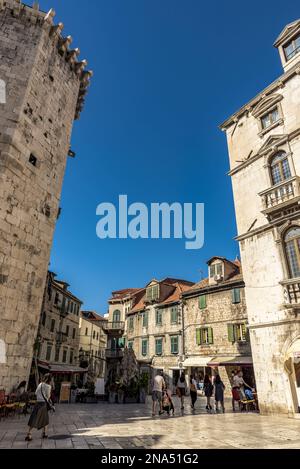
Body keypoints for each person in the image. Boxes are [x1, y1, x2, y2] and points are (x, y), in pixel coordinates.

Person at [25, 374, 54, 442]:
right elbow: (48, 396)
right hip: (43, 404)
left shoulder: (40, 384)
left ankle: (40, 433)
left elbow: (36, 393)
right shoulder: (48, 386)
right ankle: (41, 434)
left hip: (37, 403)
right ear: (50, 380)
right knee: (44, 419)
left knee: (35, 418)